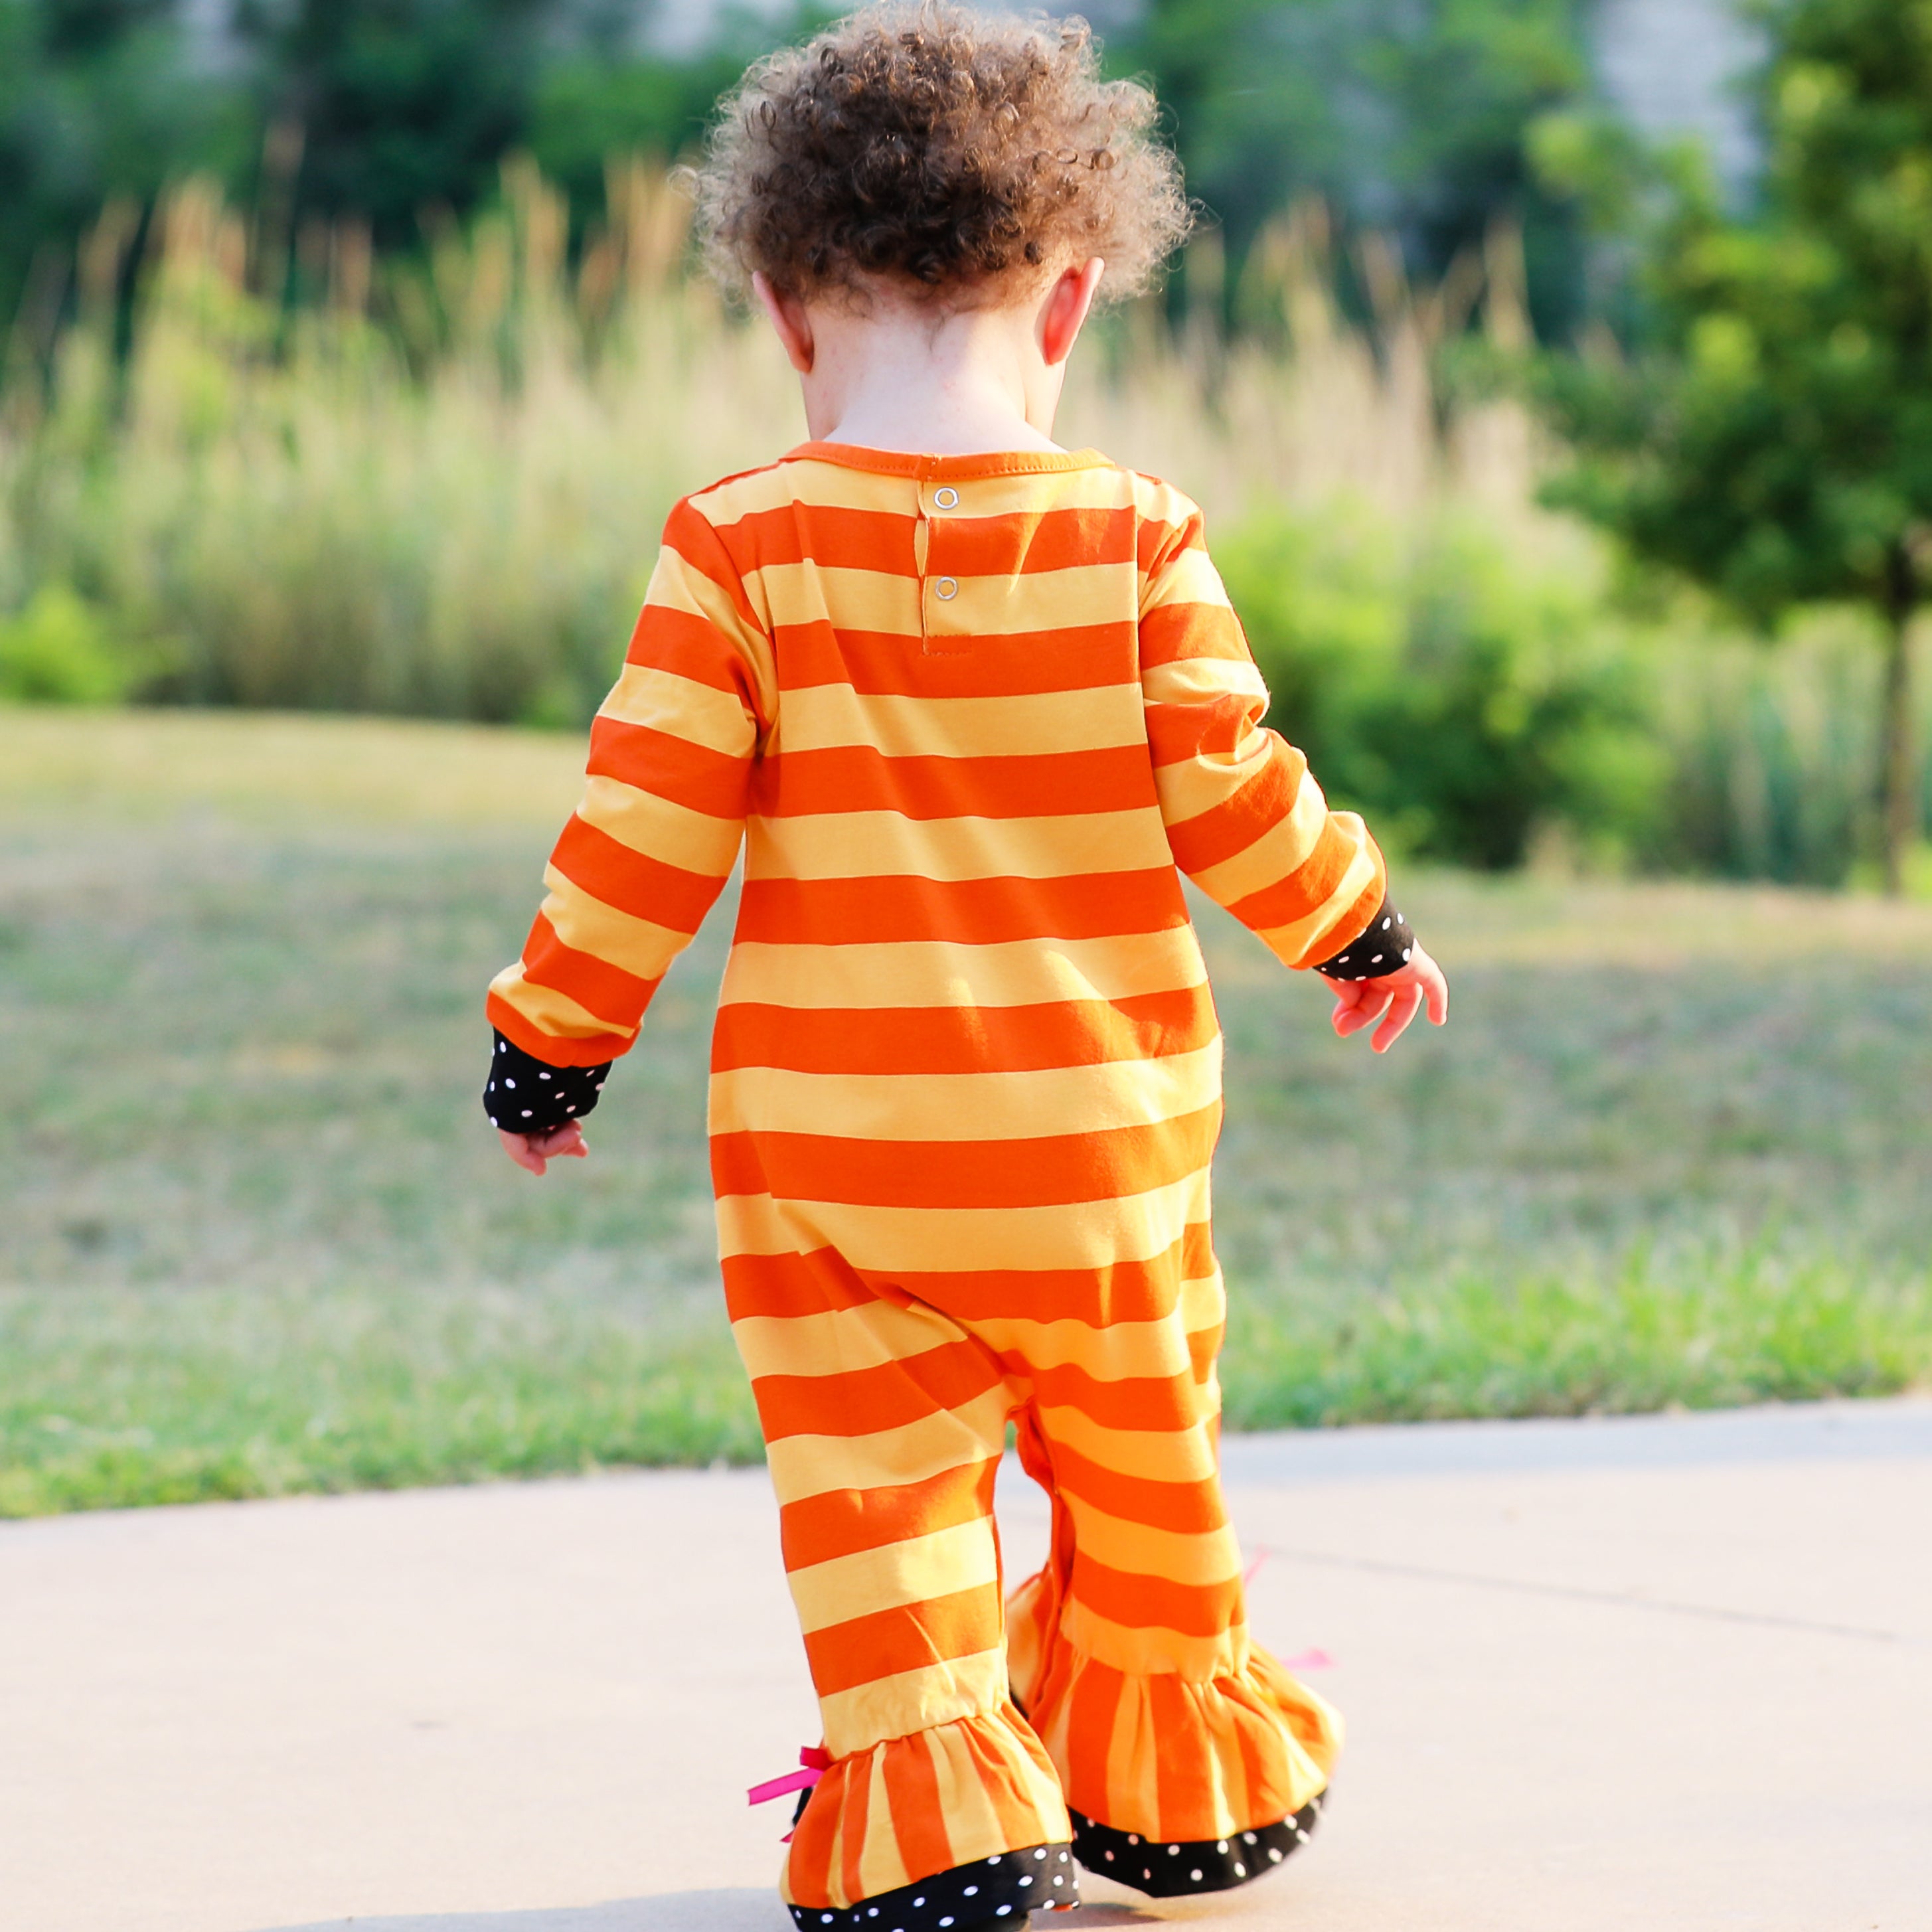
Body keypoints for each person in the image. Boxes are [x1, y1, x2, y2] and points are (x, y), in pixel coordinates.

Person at [483, 7, 1449, 1927]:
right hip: (1102, 1152)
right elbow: (1235, 788)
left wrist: (552, 1046)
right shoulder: (1136, 537)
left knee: (881, 1503)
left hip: (837, 1172)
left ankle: (946, 1827)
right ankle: (1170, 1781)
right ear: (1072, 300)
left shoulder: (739, 551)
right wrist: (1358, 922)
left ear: (779, 304)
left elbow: (642, 829)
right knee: (1142, 1452)